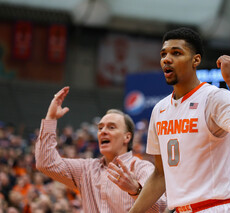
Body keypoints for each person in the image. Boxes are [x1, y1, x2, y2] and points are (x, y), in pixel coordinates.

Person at [129, 27, 230, 213]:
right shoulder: (159, 109)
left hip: (217, 206)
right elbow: (161, 175)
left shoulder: (214, 97)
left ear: (196, 60)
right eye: (164, 54)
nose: (166, 59)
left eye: (176, 53)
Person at [35, 86, 167, 213]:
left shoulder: (141, 168)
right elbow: (46, 163)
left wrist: (135, 190)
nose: (103, 131)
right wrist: (51, 118)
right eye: (100, 128)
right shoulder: (86, 169)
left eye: (111, 127)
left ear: (127, 137)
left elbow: (162, 209)